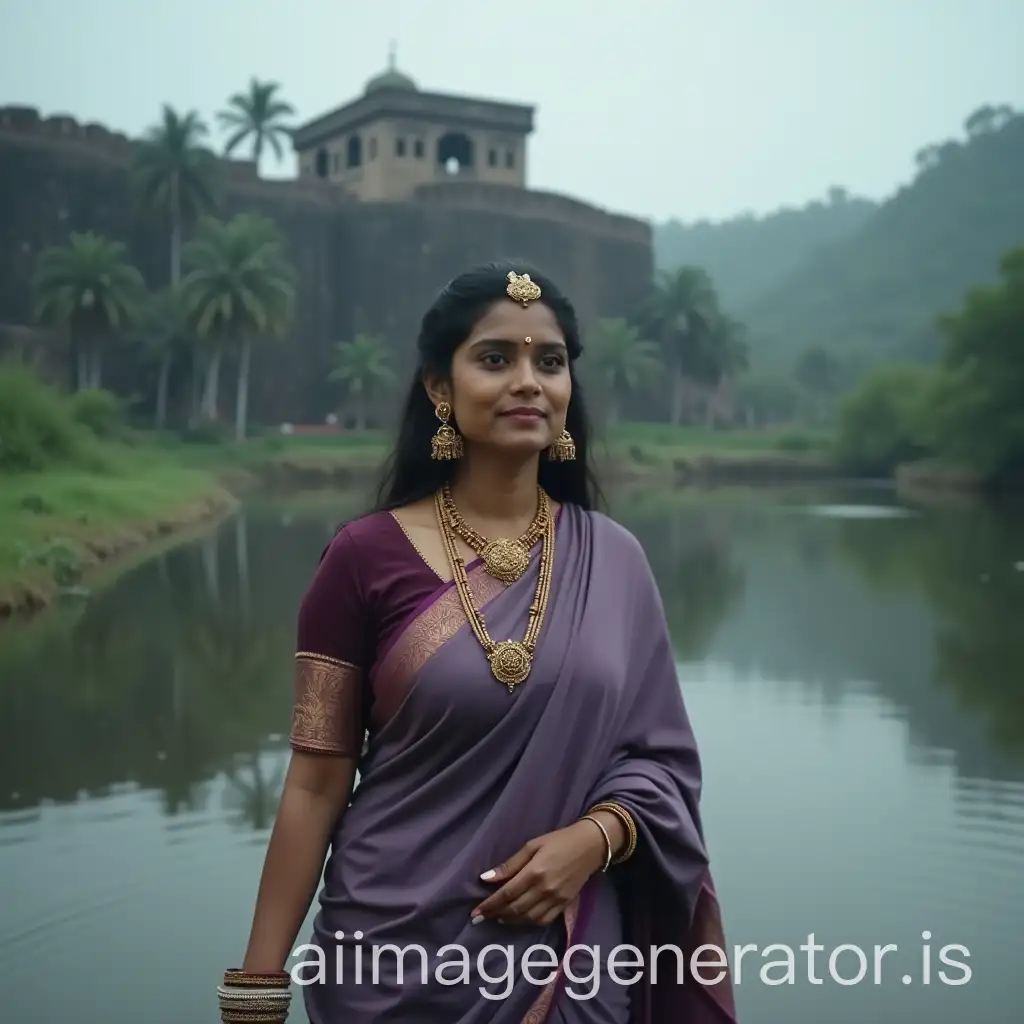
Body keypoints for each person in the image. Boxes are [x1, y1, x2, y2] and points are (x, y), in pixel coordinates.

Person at [218, 261, 737, 1023]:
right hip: (388, 958)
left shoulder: (614, 561)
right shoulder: (362, 560)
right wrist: (257, 988)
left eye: (549, 362)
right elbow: (314, 784)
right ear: (439, 388)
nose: (528, 381)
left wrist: (594, 840)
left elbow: (659, 763)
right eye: (496, 358)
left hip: (565, 960)